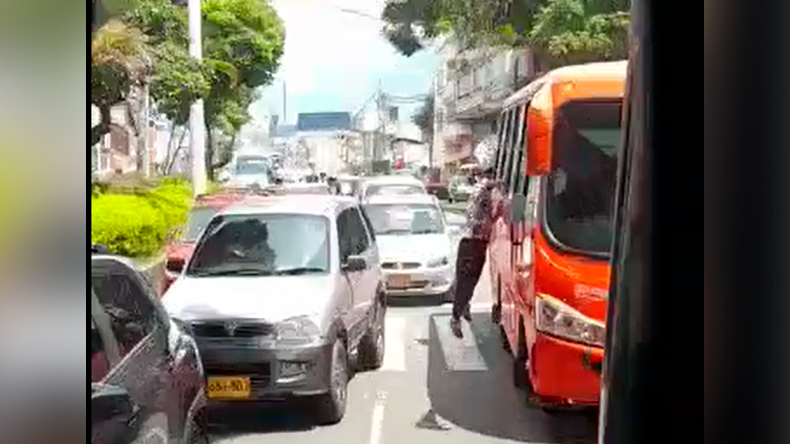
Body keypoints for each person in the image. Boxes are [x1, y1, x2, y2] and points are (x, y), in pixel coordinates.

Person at [450, 166, 501, 338]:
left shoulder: (485, 196)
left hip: (478, 243)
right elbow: (484, 188)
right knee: (466, 281)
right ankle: (455, 317)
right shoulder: (481, 190)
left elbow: (488, 217)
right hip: (471, 242)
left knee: (472, 280)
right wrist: (497, 183)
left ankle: (464, 307)